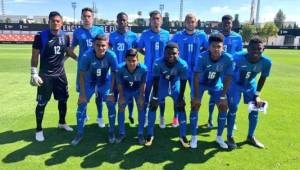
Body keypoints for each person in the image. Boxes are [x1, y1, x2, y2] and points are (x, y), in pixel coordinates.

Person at [30, 11, 76, 142]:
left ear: (61, 23)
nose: (55, 23)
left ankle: (62, 122)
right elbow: (34, 55)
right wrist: (33, 72)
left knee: (63, 100)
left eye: (57, 21)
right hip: (45, 75)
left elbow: (67, 51)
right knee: (42, 103)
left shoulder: (65, 36)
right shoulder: (40, 36)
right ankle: (39, 129)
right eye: (52, 20)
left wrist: (79, 59)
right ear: (49, 22)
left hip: (60, 74)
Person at [71, 35, 117, 145]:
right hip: (89, 82)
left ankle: (111, 132)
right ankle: (79, 133)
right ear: (93, 45)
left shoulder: (111, 55)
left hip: (104, 83)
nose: (100, 48)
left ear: (107, 45)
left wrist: (111, 92)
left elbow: (114, 74)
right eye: (98, 45)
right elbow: (81, 75)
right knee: (81, 106)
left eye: (103, 45)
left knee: (111, 104)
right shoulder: (87, 56)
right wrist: (82, 94)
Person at [226, 37, 271, 149]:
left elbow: (262, 78)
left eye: (259, 49)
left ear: (263, 49)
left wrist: (257, 95)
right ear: (247, 49)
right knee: (233, 109)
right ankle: (230, 137)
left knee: (255, 109)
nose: (255, 51)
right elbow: (227, 72)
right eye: (253, 48)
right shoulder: (237, 57)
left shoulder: (266, 62)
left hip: (250, 85)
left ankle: (250, 136)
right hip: (235, 85)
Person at [190, 33, 233, 149]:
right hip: (200, 84)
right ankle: (193, 137)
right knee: (195, 106)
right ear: (209, 47)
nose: (216, 49)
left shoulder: (228, 58)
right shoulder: (201, 57)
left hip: (215, 84)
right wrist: (196, 97)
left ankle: (219, 137)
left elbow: (228, 77)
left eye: (219, 46)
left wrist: (223, 96)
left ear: (223, 47)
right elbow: (196, 77)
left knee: (224, 107)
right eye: (214, 46)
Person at [145, 42, 189, 148]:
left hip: (175, 86)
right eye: (168, 53)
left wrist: (180, 97)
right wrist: (155, 97)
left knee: (181, 107)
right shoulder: (157, 63)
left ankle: (183, 135)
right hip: (162, 85)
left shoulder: (183, 64)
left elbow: (183, 81)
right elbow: (156, 80)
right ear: (164, 53)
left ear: (178, 53)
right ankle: (150, 135)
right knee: (153, 106)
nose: (171, 55)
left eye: (174, 53)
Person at [171, 13, 208, 127]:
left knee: (195, 95)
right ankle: (176, 117)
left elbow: (207, 49)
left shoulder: (201, 35)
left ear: (196, 23)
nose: (190, 24)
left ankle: (194, 118)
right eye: (188, 21)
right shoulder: (178, 35)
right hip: (180, 70)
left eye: (192, 22)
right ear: (185, 23)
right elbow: (170, 49)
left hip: (195, 71)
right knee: (177, 94)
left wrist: (200, 59)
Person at [71, 7, 106, 128]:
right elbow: (71, 49)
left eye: (89, 16)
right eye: (84, 16)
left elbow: (105, 48)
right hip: (84, 70)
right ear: (81, 18)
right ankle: (84, 115)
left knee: (99, 94)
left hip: (98, 69)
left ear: (93, 17)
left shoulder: (99, 30)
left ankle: (100, 116)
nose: (86, 18)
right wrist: (78, 59)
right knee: (83, 93)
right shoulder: (77, 32)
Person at [207, 15, 243, 129]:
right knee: (214, 94)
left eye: (229, 23)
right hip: (217, 70)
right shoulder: (215, 35)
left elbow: (240, 54)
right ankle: (210, 118)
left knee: (231, 96)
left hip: (231, 71)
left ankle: (232, 119)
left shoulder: (238, 37)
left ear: (232, 24)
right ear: (221, 24)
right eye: (225, 23)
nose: (227, 24)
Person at [137, 10, 170, 128]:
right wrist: (146, 54)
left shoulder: (166, 34)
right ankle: (145, 117)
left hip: (162, 71)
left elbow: (170, 51)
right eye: (153, 19)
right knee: (146, 95)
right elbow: (138, 47)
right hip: (148, 71)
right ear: (150, 21)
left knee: (161, 96)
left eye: (157, 18)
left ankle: (161, 117)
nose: (155, 21)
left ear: (161, 20)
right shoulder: (145, 34)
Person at [109, 12, 138, 125]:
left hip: (129, 70)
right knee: (115, 94)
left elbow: (136, 52)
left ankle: (130, 114)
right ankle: (116, 117)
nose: (122, 22)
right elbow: (108, 51)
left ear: (127, 21)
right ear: (117, 21)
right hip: (116, 71)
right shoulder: (112, 36)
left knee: (130, 94)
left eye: (124, 20)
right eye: (120, 20)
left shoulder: (133, 36)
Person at [116, 48, 147, 145]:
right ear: (125, 60)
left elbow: (143, 83)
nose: (131, 63)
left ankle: (140, 134)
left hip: (137, 91)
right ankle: (121, 133)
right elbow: (120, 84)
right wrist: (121, 96)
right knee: (121, 108)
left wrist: (142, 96)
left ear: (138, 60)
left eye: (134, 61)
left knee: (141, 108)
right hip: (125, 91)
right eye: (129, 61)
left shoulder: (143, 69)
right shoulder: (120, 68)